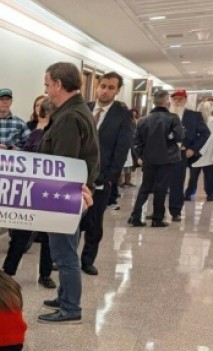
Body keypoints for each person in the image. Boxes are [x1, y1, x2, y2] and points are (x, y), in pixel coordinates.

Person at [38, 62, 98, 325]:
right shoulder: (76, 110)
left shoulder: (69, 117)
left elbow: (61, 165)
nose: (47, 90)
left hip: (63, 196)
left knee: (64, 254)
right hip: (71, 194)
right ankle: (64, 296)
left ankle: (71, 307)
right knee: (66, 248)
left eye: (48, 84)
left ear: (59, 85)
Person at [82, 72, 134, 276]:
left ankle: (87, 260)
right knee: (73, 220)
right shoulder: (84, 108)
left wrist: (110, 178)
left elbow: (122, 149)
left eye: (111, 87)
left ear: (117, 90)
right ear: (97, 86)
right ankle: (64, 259)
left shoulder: (122, 115)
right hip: (78, 174)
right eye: (103, 86)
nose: (105, 90)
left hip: (102, 178)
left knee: (95, 221)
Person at [3, 99, 55, 289]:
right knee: (20, 233)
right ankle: (8, 271)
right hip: (30, 188)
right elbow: (24, 153)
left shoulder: (57, 129)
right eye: (41, 107)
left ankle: (45, 274)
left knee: (48, 235)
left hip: (49, 189)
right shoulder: (31, 130)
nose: (43, 111)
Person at [128, 90, 185, 228]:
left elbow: (136, 141)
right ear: (167, 102)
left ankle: (135, 216)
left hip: (149, 158)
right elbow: (179, 136)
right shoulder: (173, 118)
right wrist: (170, 136)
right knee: (161, 188)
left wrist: (140, 157)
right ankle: (157, 218)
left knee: (145, 187)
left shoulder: (144, 120)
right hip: (167, 158)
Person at [169, 89, 210, 215]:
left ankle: (176, 211)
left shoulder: (193, 115)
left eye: (180, 99)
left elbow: (205, 133)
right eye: (175, 99)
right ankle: (157, 212)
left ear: (185, 100)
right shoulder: (166, 114)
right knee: (160, 182)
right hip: (164, 152)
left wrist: (193, 148)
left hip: (181, 153)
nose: (177, 101)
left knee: (177, 183)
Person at [185, 100, 213, 201]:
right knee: (209, 176)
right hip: (209, 153)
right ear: (211, 109)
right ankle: (210, 195)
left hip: (196, 151)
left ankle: (189, 194)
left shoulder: (195, 120)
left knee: (193, 176)